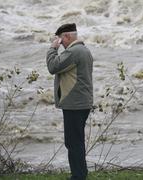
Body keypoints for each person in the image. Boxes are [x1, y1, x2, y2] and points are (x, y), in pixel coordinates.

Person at [46, 23, 93, 180]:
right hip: (82, 102)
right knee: (76, 141)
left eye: (60, 40)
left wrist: (53, 48)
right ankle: (80, 174)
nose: (61, 43)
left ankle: (78, 176)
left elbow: (53, 67)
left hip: (75, 104)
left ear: (67, 36)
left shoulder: (74, 51)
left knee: (73, 143)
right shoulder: (85, 50)